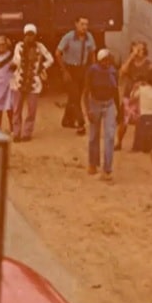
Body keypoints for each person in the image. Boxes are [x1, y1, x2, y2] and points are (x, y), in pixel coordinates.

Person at [9, 23, 53, 142]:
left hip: (34, 83)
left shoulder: (40, 47)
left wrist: (42, 67)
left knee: (31, 110)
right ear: (24, 35)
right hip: (19, 81)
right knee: (17, 109)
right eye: (27, 35)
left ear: (35, 35)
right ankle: (16, 133)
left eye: (32, 35)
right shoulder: (19, 46)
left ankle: (27, 133)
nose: (30, 37)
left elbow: (50, 58)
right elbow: (16, 60)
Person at [82, 49, 119, 181]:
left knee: (109, 136)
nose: (107, 62)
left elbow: (116, 91)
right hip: (95, 104)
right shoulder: (92, 71)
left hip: (109, 104)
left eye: (108, 60)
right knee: (93, 135)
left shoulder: (113, 72)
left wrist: (118, 110)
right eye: (104, 60)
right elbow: (86, 91)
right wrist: (88, 110)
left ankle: (107, 169)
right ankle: (93, 163)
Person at [56, 16, 96, 135]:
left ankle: (66, 120)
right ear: (76, 24)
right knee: (75, 95)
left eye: (86, 25)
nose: (84, 27)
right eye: (82, 24)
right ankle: (81, 123)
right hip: (70, 69)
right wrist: (64, 71)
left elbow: (92, 53)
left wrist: (93, 69)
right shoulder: (68, 37)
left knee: (76, 97)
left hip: (82, 69)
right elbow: (58, 53)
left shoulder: (89, 37)